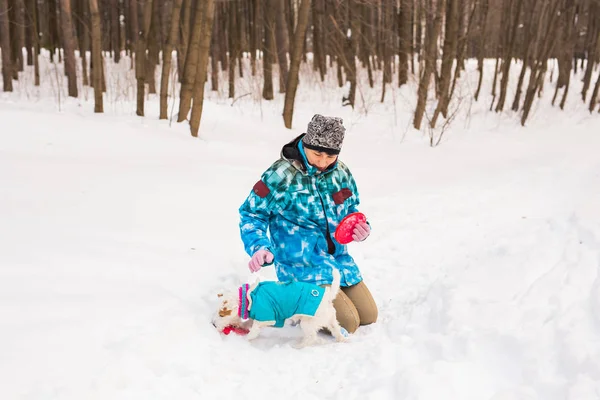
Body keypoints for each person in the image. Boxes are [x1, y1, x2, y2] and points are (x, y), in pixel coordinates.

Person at [238, 114, 377, 334]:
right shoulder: (280, 175)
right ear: (306, 145)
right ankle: (294, 304)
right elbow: (251, 214)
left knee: (369, 316)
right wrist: (259, 247)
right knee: (349, 322)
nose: (323, 162)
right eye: (318, 154)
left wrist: (360, 227)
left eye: (330, 156)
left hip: (337, 262)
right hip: (301, 267)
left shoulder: (340, 172)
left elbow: (351, 210)